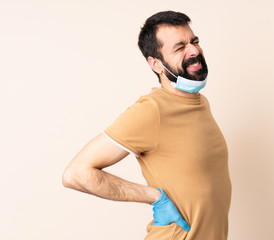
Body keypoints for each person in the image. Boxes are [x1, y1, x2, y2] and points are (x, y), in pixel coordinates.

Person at [62, 10, 232, 240]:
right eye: (180, 47)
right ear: (156, 64)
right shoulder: (152, 111)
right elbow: (76, 174)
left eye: (194, 41)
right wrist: (155, 197)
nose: (194, 50)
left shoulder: (200, 103)